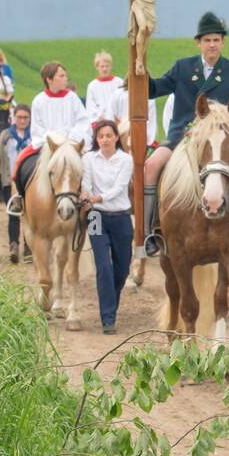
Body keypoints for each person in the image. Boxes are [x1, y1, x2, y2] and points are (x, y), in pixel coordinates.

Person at [141, 11, 229, 257]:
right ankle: (149, 229)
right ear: (198, 43)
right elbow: (156, 89)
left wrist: (224, 128)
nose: (211, 44)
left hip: (222, 138)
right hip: (183, 135)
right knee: (151, 165)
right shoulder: (182, 67)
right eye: (207, 40)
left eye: (216, 40)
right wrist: (141, 72)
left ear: (222, 42)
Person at [6, 61, 90, 216]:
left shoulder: (72, 98)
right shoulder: (39, 100)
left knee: (90, 164)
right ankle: (19, 196)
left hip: (71, 144)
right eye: (62, 75)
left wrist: (71, 138)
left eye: (65, 75)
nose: (66, 78)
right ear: (49, 79)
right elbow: (37, 127)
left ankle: (90, 201)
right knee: (20, 160)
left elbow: (83, 121)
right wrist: (53, 140)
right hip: (47, 144)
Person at [82, 119, 134, 334]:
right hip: (96, 217)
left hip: (121, 217)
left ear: (116, 138)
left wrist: (97, 197)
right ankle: (108, 318)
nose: (104, 139)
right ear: (96, 139)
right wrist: (87, 195)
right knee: (103, 267)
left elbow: (120, 188)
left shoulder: (125, 160)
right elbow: (86, 182)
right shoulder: (88, 159)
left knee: (121, 270)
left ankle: (110, 301)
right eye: (101, 136)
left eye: (108, 136)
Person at [0, 104, 32, 262]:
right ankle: (13, 244)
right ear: (14, 117)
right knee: (13, 214)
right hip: (10, 180)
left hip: (29, 182)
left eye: (25, 117)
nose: (22, 120)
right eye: (19, 117)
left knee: (30, 215)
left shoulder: (34, 136)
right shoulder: (6, 136)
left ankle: (29, 247)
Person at [85, 50, 125, 131]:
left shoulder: (119, 82)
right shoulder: (92, 85)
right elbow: (90, 106)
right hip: (100, 122)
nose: (105, 69)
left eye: (107, 66)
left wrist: (118, 116)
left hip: (117, 120)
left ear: (111, 66)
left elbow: (123, 101)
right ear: (97, 67)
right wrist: (99, 116)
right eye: (102, 66)